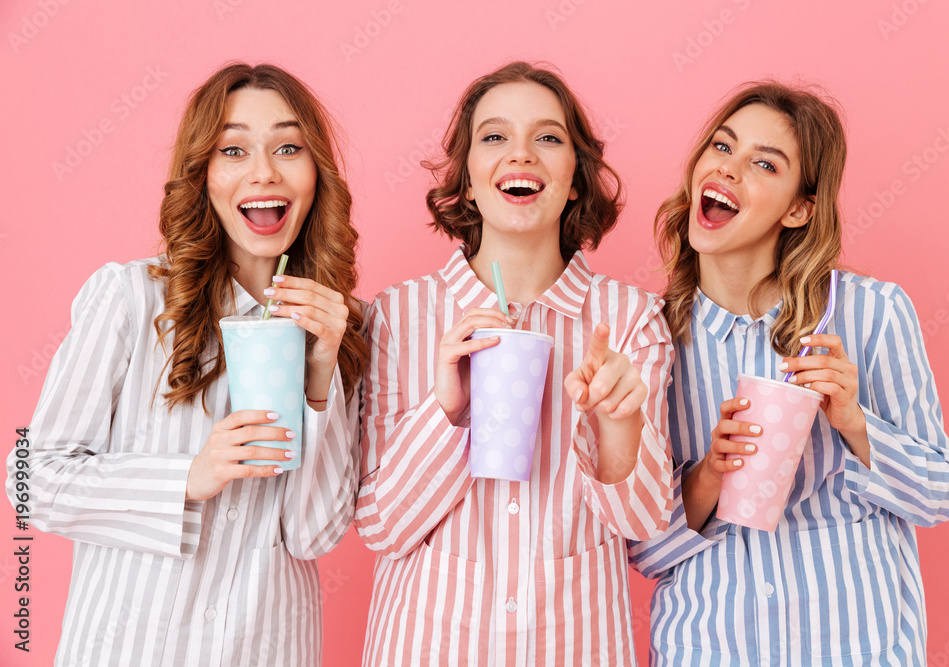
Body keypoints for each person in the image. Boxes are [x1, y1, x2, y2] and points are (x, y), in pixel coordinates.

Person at [5, 63, 368, 666]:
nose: (263, 172)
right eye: (233, 149)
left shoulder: (336, 324)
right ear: (200, 175)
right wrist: (188, 478)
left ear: (316, 175)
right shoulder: (132, 299)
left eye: (288, 147)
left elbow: (315, 535)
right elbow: (31, 478)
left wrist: (322, 370)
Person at [629, 81, 949, 665]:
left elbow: (940, 494)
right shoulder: (652, 336)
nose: (729, 170)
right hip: (710, 647)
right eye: (722, 147)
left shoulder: (872, 313)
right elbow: (644, 553)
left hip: (856, 645)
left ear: (799, 208)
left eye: (763, 163)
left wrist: (854, 423)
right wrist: (710, 473)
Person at [355, 61, 674, 666]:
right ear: (468, 180)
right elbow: (381, 527)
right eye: (494, 137)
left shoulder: (630, 318)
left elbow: (645, 522)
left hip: (573, 645)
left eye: (548, 138)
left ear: (575, 180)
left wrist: (617, 421)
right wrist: (448, 410)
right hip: (427, 646)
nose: (520, 154)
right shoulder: (400, 315)